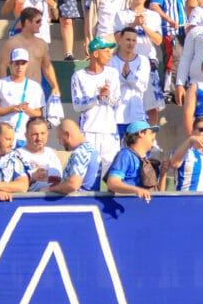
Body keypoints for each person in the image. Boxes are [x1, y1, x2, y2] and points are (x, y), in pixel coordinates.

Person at [72, 36, 122, 171]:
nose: (109, 55)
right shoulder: (78, 76)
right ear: (95, 53)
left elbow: (117, 101)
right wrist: (97, 98)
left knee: (111, 173)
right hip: (87, 131)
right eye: (106, 51)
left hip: (109, 132)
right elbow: (77, 105)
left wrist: (107, 95)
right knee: (88, 173)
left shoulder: (112, 73)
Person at [0, 47, 44, 146]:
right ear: (10, 64)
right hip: (5, 137)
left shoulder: (35, 86)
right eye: (17, 63)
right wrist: (12, 108)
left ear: (27, 65)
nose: (20, 67)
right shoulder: (0, 84)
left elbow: (39, 114)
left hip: (25, 138)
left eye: (23, 63)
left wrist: (27, 110)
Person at [111, 28, 152, 136]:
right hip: (117, 115)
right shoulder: (111, 61)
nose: (131, 43)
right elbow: (111, 86)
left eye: (134, 40)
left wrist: (129, 75)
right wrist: (124, 77)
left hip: (137, 114)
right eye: (128, 40)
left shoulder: (143, 60)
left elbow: (142, 86)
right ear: (120, 40)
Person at [105, 120, 159, 201]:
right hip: (126, 208)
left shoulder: (146, 160)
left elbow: (158, 191)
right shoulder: (125, 155)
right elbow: (112, 183)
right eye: (150, 133)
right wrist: (136, 190)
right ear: (141, 133)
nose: (154, 136)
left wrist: (164, 174)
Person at [168, 116, 203, 191]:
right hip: (186, 200)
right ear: (193, 132)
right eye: (202, 129)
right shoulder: (186, 152)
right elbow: (174, 164)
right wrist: (190, 140)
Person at [48, 119, 101, 194]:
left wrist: (50, 189)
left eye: (59, 138)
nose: (60, 143)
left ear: (66, 135)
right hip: (90, 201)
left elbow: (73, 185)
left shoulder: (80, 153)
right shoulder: (92, 149)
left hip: (78, 202)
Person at [19, 117, 61, 191]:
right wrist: (32, 178)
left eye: (42, 133)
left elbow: (60, 180)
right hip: (30, 200)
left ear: (47, 134)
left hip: (52, 200)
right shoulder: (18, 155)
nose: (39, 138)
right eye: (35, 134)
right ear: (26, 135)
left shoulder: (52, 154)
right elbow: (13, 184)